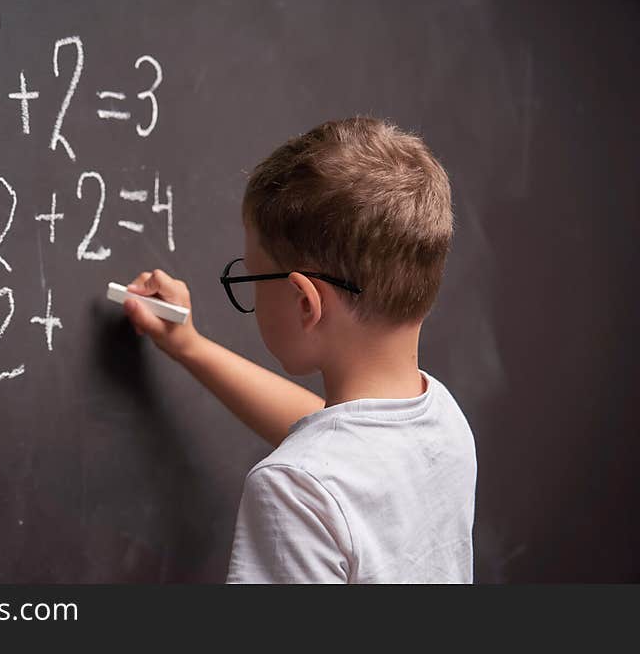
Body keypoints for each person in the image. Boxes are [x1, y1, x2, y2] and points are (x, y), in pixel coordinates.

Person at [122, 117, 477, 583]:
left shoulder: (294, 490)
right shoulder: (442, 421)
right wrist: (190, 346)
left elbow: (319, 459)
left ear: (305, 301)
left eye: (251, 276)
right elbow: (330, 433)